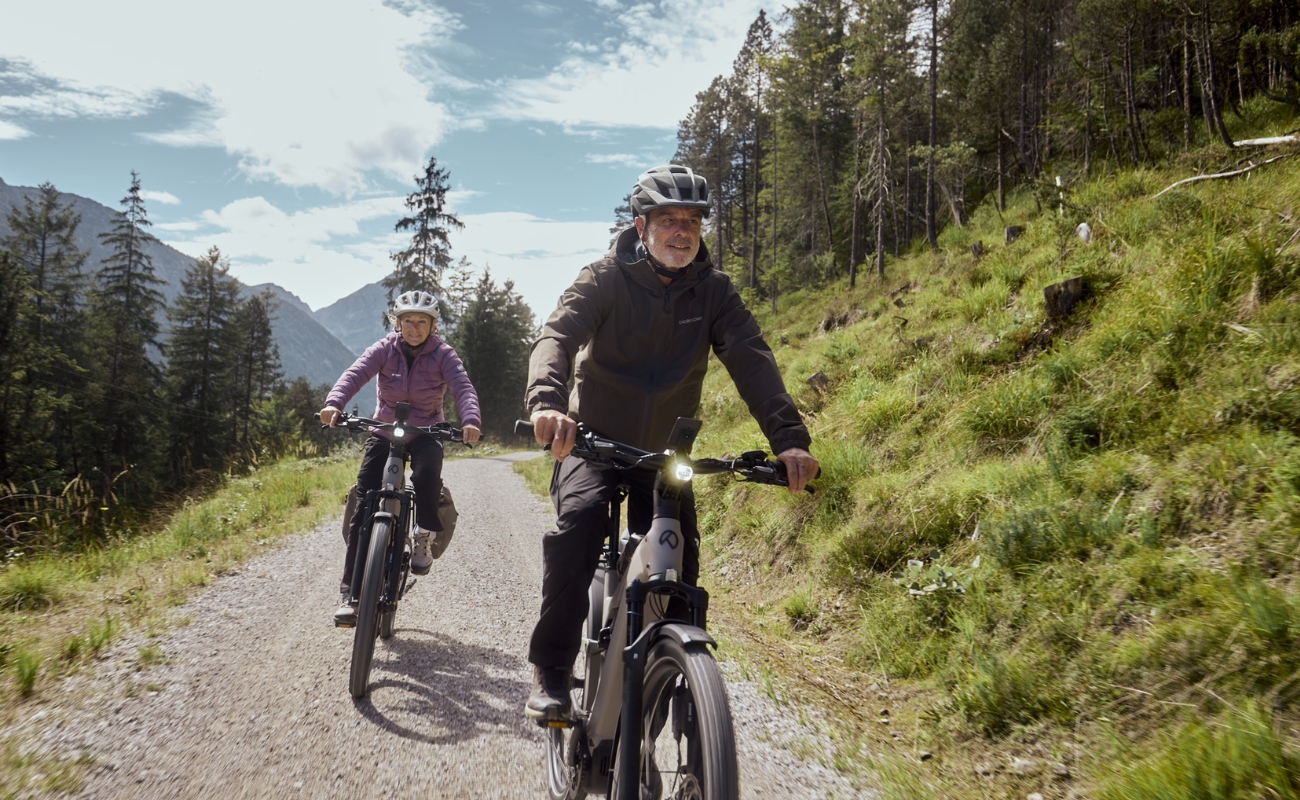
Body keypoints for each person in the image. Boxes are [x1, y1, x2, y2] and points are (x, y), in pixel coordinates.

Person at [523, 165, 820, 722]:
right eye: (669, 220)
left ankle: (673, 685)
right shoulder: (603, 278)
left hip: (665, 457)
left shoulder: (715, 293)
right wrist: (547, 403)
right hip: (592, 445)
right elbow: (556, 336)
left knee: (678, 566)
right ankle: (553, 669)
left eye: (692, 221)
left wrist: (789, 440)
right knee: (580, 527)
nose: (682, 231)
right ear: (642, 226)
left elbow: (752, 361)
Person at [320, 290, 482, 624]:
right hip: (384, 428)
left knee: (426, 477)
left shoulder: (444, 355)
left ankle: (424, 534)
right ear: (398, 323)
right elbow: (355, 373)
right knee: (365, 495)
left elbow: (462, 388)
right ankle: (351, 595)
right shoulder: (384, 349)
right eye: (408, 321)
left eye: (422, 322)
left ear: (433, 326)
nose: (414, 328)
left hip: (426, 431)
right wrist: (334, 403)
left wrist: (470, 420)